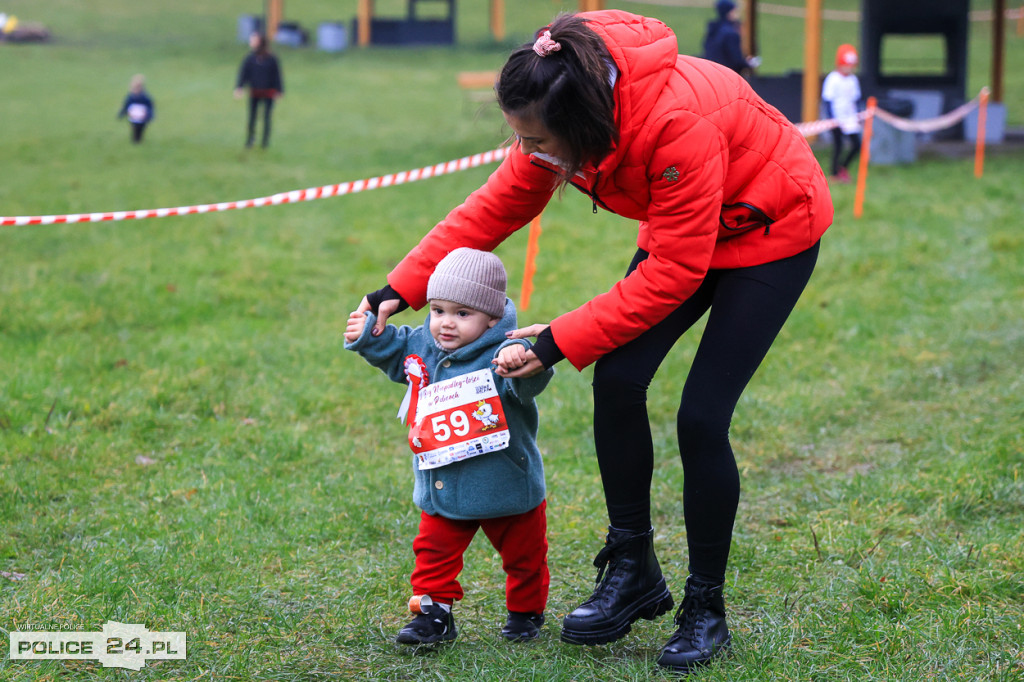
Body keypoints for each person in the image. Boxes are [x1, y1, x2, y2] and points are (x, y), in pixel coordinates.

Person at [357, 9, 832, 672]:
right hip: (685, 228)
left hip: (768, 229)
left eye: (541, 141)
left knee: (700, 418)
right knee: (617, 381)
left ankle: (705, 609)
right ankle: (632, 567)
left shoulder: (674, 124)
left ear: (586, 124)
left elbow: (673, 275)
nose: (532, 154)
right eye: (522, 138)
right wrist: (396, 289)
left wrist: (554, 341)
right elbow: (497, 204)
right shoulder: (566, 110)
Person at [345, 248, 555, 645]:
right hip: (442, 482)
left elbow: (528, 385)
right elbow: (395, 349)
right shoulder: (425, 344)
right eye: (438, 309)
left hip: (505, 483)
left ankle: (525, 613)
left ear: (492, 319)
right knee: (433, 555)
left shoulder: (504, 352)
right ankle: (432, 614)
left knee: (526, 559)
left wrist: (526, 359)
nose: (445, 323)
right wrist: (367, 334)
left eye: (462, 314)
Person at [234, 32, 283, 148]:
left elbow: (277, 75)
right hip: (255, 92)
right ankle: (250, 139)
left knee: (267, 117)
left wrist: (279, 91)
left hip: (268, 92)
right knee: (252, 117)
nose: (251, 42)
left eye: (253, 40)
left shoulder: (271, 59)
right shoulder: (250, 59)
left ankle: (265, 142)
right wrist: (239, 87)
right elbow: (243, 74)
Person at [821, 44, 862, 183]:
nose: (850, 68)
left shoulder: (853, 80)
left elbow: (855, 100)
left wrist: (858, 118)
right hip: (836, 118)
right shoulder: (833, 79)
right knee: (838, 146)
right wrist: (833, 120)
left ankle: (842, 168)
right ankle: (834, 174)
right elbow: (827, 101)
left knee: (857, 145)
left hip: (850, 117)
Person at [702, 1, 760, 74]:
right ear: (729, 12)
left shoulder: (713, 30)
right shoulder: (731, 34)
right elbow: (736, 61)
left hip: (712, 72)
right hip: (727, 75)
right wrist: (749, 63)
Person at [117, 74, 155, 144]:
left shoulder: (145, 97)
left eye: (138, 88)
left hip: (143, 117)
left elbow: (150, 106)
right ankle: (135, 140)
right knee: (134, 128)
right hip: (133, 117)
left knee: (140, 129)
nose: (136, 90)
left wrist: (150, 115)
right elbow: (126, 106)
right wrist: (121, 114)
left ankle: (139, 139)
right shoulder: (130, 97)